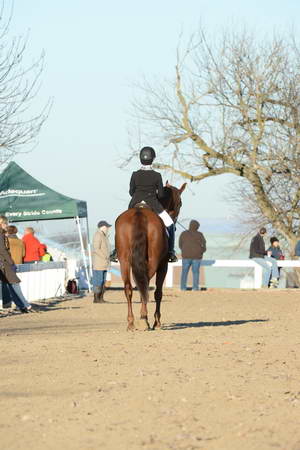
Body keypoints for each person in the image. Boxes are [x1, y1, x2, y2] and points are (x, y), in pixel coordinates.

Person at [128, 146, 177, 262]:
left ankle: (115, 250)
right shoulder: (157, 175)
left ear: (140, 158)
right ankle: (170, 251)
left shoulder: (135, 174)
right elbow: (160, 195)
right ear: (153, 159)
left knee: (120, 221)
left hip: (135, 203)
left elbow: (131, 192)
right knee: (170, 224)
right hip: (153, 204)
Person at [0, 216, 32, 312]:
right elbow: (3, 250)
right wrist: (11, 262)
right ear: (2, 224)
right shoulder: (1, 235)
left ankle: (21, 305)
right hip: (4, 263)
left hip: (3, 262)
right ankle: (24, 304)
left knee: (11, 284)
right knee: (14, 283)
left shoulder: (3, 235)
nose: (7, 225)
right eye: (6, 223)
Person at [179, 220, 206, 291]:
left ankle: (183, 288)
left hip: (186, 256)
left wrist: (184, 251)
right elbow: (204, 245)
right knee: (196, 272)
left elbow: (180, 244)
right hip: (197, 257)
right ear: (197, 227)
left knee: (184, 272)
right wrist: (201, 252)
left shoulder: (184, 233)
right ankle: (195, 288)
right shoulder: (200, 234)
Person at [92, 220, 111, 303]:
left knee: (103, 281)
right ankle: (96, 298)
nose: (107, 228)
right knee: (98, 281)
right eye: (107, 227)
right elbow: (96, 248)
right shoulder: (98, 235)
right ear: (102, 227)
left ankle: (101, 298)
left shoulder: (104, 235)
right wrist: (105, 257)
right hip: (99, 263)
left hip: (104, 263)